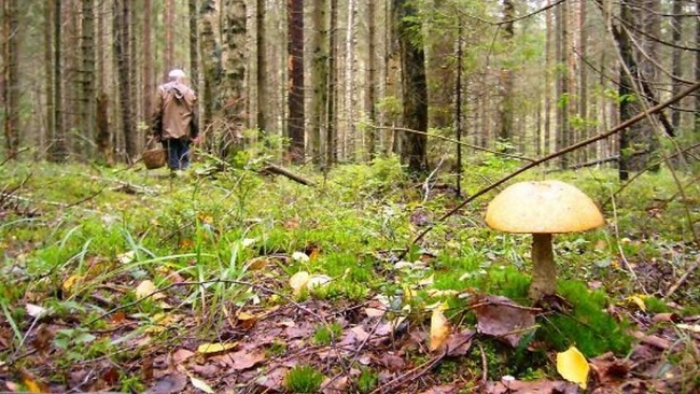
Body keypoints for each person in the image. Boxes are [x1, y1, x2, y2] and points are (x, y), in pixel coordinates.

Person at [151, 69, 199, 175]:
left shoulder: (162, 90)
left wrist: (155, 130)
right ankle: (184, 177)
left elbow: (157, 112)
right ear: (182, 79)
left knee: (172, 156)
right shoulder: (190, 92)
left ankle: (175, 176)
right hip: (185, 131)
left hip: (167, 130)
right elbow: (194, 115)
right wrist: (195, 133)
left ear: (170, 78)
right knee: (184, 156)